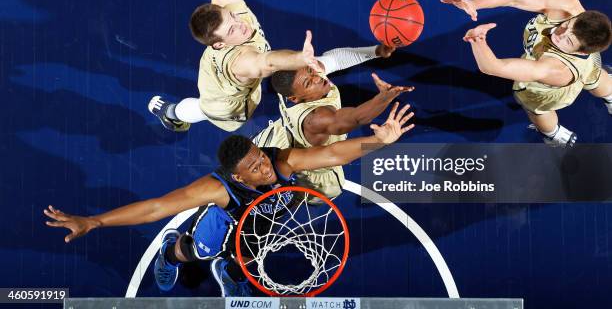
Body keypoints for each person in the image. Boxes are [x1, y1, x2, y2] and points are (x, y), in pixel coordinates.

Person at [44, 104, 415, 296]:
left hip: (262, 226)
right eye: (255, 167)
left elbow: (335, 156)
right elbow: (157, 207)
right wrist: (94, 221)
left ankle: (231, 271)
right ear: (238, 177)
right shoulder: (218, 188)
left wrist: (379, 142)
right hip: (222, 226)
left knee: (249, 258)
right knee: (200, 252)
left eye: (262, 157)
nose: (266, 167)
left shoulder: (281, 159)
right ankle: (172, 253)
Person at [149, 0, 321, 133]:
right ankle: (172, 114)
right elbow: (267, 61)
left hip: (210, 69)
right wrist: (300, 58)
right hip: (226, 106)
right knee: (203, 108)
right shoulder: (240, 61)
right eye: (232, 30)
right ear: (220, 44)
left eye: (232, 17)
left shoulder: (226, 4)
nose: (241, 24)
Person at [442, 0, 612, 146]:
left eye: (568, 40)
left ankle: (553, 134)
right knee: (595, 73)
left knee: (537, 109)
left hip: (551, 88)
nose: (558, 33)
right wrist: (473, 3)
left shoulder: (552, 69)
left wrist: (477, 41)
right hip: (585, 63)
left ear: (581, 52)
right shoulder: (567, 5)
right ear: (577, 16)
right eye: (566, 26)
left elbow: (494, 67)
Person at [254, 44, 413, 200]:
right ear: (294, 99)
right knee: (325, 193)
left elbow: (334, 59)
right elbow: (356, 117)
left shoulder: (295, 80)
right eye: (308, 83)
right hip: (310, 174)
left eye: (311, 71)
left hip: (276, 138)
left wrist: (376, 51)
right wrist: (382, 99)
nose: (317, 78)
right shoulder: (317, 119)